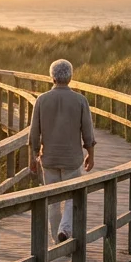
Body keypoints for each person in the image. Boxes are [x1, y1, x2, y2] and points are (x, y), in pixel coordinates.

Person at [28, 59, 96, 243]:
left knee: (53, 201)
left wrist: (33, 156)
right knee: (72, 198)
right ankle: (65, 231)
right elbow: (87, 130)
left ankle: (57, 242)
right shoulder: (80, 100)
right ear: (70, 77)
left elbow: (34, 132)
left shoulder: (41, 100)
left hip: (49, 159)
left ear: (52, 77)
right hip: (72, 159)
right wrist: (90, 153)